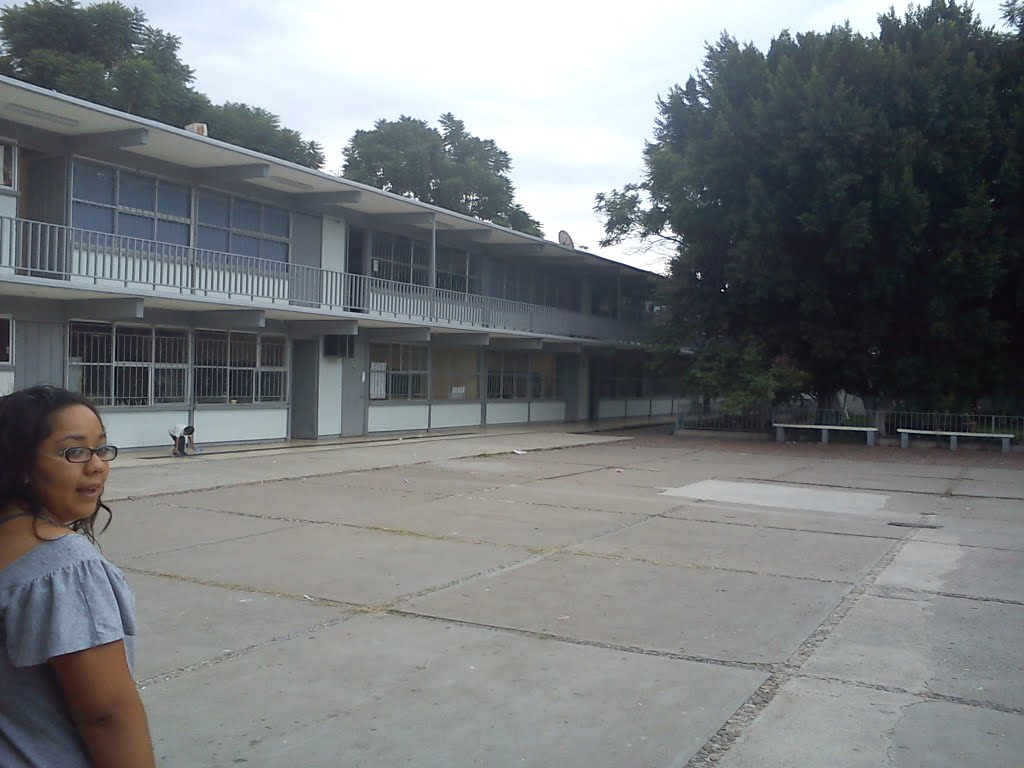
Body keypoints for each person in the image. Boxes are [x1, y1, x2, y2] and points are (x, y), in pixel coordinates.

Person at [0, 385, 155, 768]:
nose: (97, 465)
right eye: (74, 451)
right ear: (21, 465)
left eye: (101, 449)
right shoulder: (64, 568)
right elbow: (107, 713)